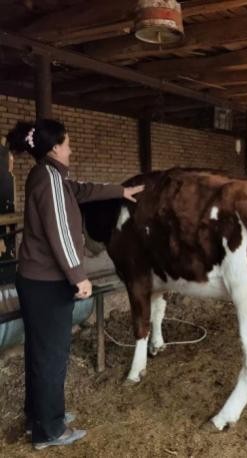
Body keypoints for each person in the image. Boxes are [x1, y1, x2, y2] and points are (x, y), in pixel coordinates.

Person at [6, 119, 144, 450]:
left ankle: (40, 417)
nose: (71, 148)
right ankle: (51, 431)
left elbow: (81, 190)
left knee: (40, 352)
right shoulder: (51, 179)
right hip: (47, 284)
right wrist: (78, 276)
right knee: (52, 356)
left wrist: (120, 191)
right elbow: (61, 233)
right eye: (67, 143)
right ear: (55, 148)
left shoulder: (49, 176)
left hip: (36, 280)